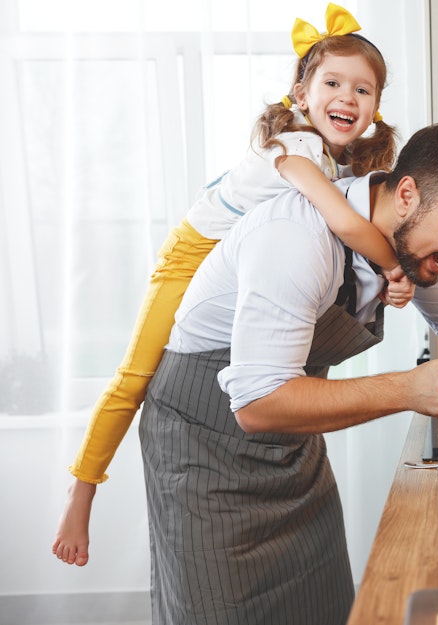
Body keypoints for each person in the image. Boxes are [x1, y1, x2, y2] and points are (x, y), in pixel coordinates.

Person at [52, 2, 412, 568]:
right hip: (192, 253)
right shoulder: (296, 148)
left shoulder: (341, 166)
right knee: (136, 375)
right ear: (300, 93)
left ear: (375, 109)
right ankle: (80, 492)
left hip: (230, 262)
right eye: (333, 82)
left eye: (363, 90)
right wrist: (396, 267)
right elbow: (345, 225)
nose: (347, 97)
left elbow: (343, 244)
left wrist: (383, 282)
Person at [139, 122, 438, 625]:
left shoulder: (405, 242)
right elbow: (257, 404)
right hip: (205, 453)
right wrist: (408, 388)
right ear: (407, 194)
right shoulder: (297, 238)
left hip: (291, 452)